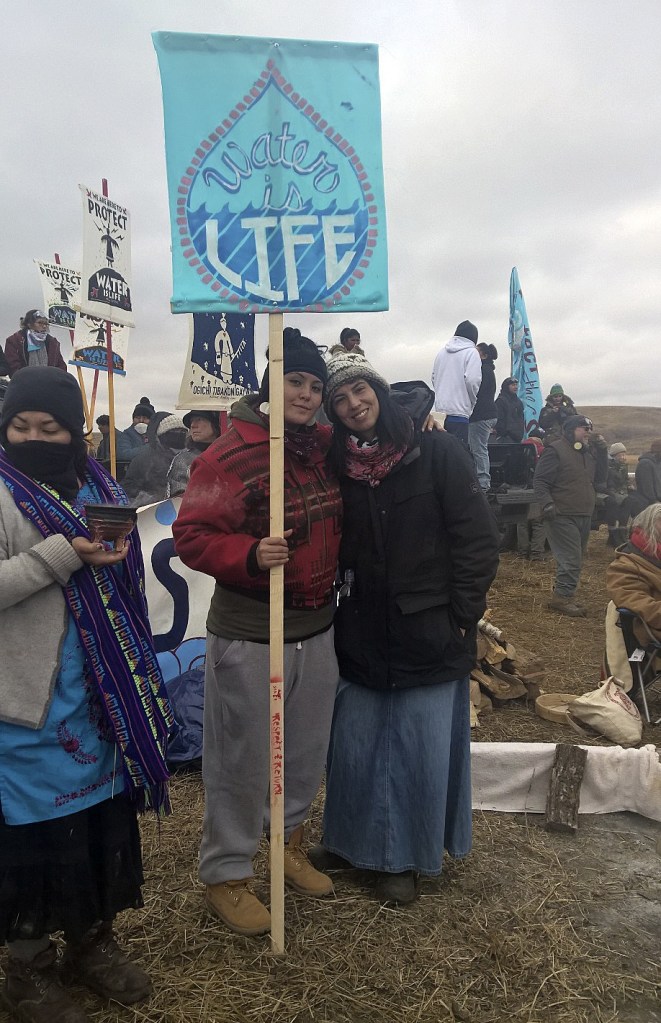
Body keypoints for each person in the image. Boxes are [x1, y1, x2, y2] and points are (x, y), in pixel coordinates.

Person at [0, 367, 173, 1022]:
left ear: (75, 432)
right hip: (25, 703)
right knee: (32, 840)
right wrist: (60, 555)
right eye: (20, 426)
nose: (33, 438)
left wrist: (114, 551)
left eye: (50, 427)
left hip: (101, 694)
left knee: (96, 828)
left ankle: (91, 942)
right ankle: (28, 968)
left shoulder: (98, 485)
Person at [310, 348, 499, 905]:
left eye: (360, 390)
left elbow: (477, 540)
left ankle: (402, 859)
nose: (353, 404)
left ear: (379, 390)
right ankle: (347, 842)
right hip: (361, 625)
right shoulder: (338, 465)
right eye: (339, 399)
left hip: (429, 628)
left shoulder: (436, 450)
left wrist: (461, 615)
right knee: (355, 742)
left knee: (415, 747)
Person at [173, 328, 342, 937]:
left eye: (315, 385)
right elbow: (191, 536)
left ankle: (286, 843)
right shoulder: (227, 455)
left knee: (304, 750)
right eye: (294, 380)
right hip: (250, 630)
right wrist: (248, 553)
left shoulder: (321, 448)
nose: (306, 394)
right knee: (242, 758)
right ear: (271, 382)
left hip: (316, 626)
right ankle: (227, 872)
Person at [533, 414, 596, 617]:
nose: (588, 432)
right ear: (570, 430)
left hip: (583, 513)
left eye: (589, 429)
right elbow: (540, 481)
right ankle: (561, 598)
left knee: (576, 558)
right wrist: (547, 504)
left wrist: (602, 452)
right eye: (583, 428)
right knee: (570, 559)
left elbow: (598, 478)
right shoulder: (555, 450)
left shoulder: (585, 453)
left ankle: (566, 594)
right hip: (562, 514)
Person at [605, 503, 661, 690]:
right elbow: (639, 604)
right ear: (647, 528)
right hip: (652, 628)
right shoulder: (626, 565)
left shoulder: (657, 554)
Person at [431, 320, 482, 446]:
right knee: (458, 452)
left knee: (441, 452)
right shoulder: (472, 353)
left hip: (440, 414)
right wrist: (472, 402)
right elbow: (472, 380)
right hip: (459, 413)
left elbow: (433, 377)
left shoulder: (441, 353)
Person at [122, 413, 187, 505]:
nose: (180, 434)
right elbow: (129, 487)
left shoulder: (189, 456)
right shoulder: (144, 458)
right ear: (162, 434)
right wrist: (147, 498)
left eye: (183, 431)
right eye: (174, 431)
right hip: (150, 509)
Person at [166, 410, 221, 498]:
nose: (193, 425)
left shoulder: (230, 455)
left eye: (199, 419)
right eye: (192, 421)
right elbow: (178, 499)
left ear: (215, 424)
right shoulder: (184, 461)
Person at [467, 343, 498, 492]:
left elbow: (474, 389)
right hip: (489, 414)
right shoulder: (489, 370)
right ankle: (482, 480)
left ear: (483, 355)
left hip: (480, 415)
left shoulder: (481, 370)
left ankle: (483, 482)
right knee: (479, 448)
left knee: (478, 449)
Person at [4, 309, 67, 376]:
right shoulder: (15, 341)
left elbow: (61, 367)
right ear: (29, 324)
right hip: (23, 380)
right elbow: (13, 367)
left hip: (50, 380)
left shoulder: (53, 343)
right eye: (40, 323)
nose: (44, 326)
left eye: (46, 323)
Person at [605, 442, 632, 546]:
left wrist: (629, 485)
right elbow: (609, 482)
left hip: (621, 492)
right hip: (609, 492)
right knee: (615, 503)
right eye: (620, 455)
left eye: (624, 454)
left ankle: (622, 532)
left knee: (629, 502)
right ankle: (613, 536)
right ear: (614, 456)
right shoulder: (608, 467)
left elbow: (625, 480)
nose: (623, 457)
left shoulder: (623, 466)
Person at [494, 377, 525, 444]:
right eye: (513, 385)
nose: (515, 387)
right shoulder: (500, 401)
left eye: (516, 385)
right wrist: (504, 433)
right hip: (505, 438)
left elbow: (521, 419)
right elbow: (499, 420)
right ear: (506, 387)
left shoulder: (519, 402)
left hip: (518, 438)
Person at [633, 440, 661, 511]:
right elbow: (647, 488)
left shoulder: (658, 463)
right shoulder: (645, 464)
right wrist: (655, 502)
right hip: (649, 503)